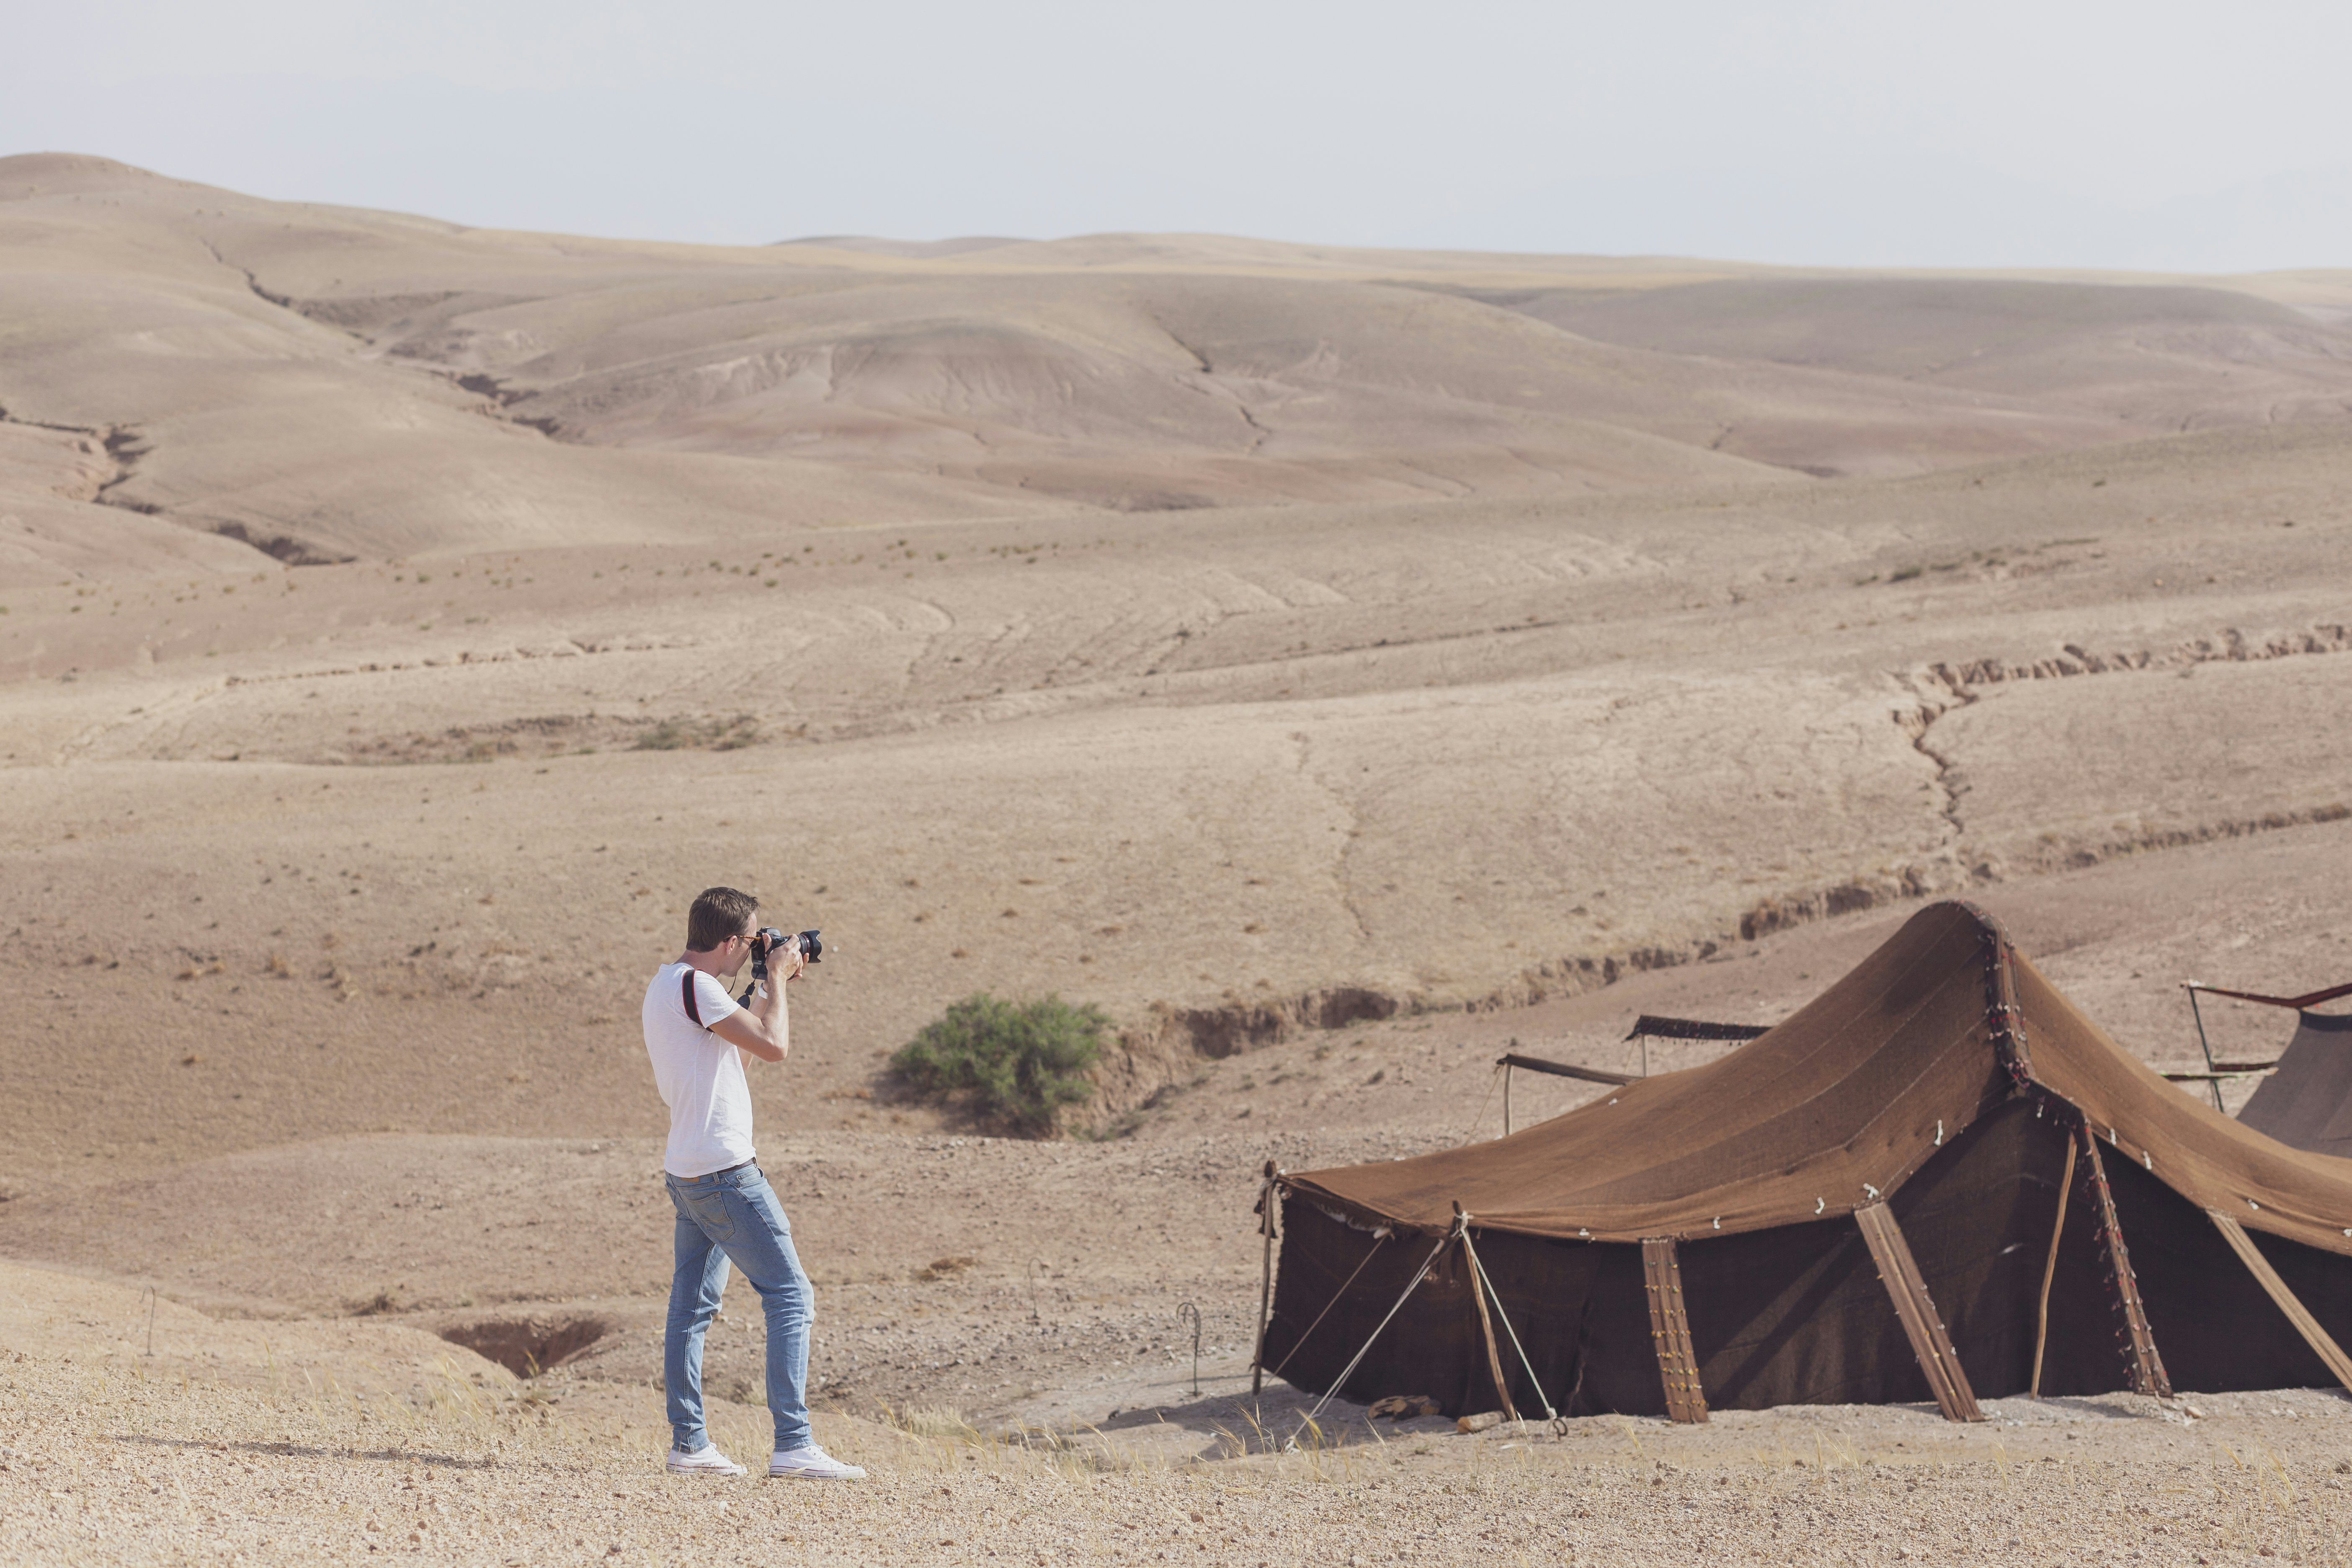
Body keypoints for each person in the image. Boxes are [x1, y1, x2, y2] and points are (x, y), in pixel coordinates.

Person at [641, 885, 865, 1480]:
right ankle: (794, 1443)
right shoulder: (700, 988)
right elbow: (774, 1048)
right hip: (725, 1172)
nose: (755, 948)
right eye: (751, 941)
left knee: (690, 1309)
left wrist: (767, 988)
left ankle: (690, 1445)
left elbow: (733, 1062)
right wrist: (781, 981)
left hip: (687, 1169)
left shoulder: (668, 985)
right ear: (730, 942)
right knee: (791, 1296)